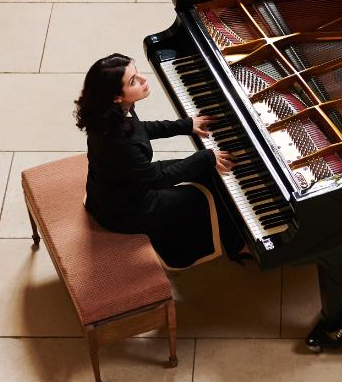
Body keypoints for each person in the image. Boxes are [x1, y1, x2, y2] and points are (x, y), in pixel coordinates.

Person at [74, 53, 249, 268]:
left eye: (137, 72)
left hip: (118, 188)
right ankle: (235, 244)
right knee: (203, 195)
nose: (143, 79)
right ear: (116, 97)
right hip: (127, 209)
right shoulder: (120, 142)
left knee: (205, 169)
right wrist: (206, 155)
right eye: (133, 81)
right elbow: (157, 179)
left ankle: (233, 234)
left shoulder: (112, 114)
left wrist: (186, 125)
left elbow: (140, 129)